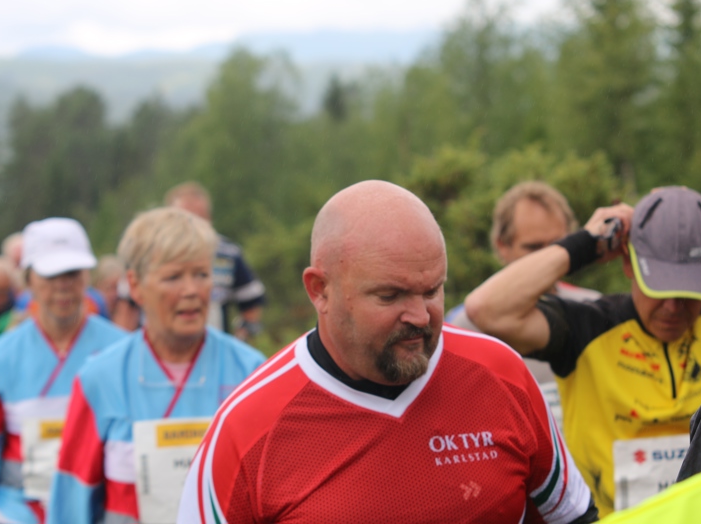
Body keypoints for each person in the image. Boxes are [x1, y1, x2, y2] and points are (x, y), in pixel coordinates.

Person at [179, 180, 596, 523]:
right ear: (319, 290)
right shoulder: (246, 428)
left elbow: (574, 515)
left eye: (432, 290)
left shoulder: (499, 372)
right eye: (390, 295)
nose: (419, 315)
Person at [465, 186, 701, 515]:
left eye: (688, 291)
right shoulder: (588, 326)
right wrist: (587, 244)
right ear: (629, 264)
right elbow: (485, 308)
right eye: (659, 287)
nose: (673, 307)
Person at [49, 207, 264, 524]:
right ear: (135, 286)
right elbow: (72, 502)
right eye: (174, 276)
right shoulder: (100, 378)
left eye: (201, 275)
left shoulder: (252, 374)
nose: (191, 290)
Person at [0, 218, 126, 524]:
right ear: (27, 280)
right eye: (50, 274)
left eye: (73, 273)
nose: (63, 285)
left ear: (87, 277)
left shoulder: (121, 351)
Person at [447, 181, 600, 387]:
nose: (546, 257)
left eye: (558, 245)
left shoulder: (594, 307)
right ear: (503, 246)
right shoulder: (463, 326)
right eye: (534, 247)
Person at [166, 182, 266, 340]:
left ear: (210, 219)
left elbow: (251, 300)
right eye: (185, 220)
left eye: (199, 219)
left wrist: (240, 339)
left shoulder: (227, 254)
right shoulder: (153, 256)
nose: (193, 227)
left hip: (214, 350)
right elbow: (129, 307)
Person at [90, 255, 123, 319]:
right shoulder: (91, 312)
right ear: (96, 286)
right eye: (109, 288)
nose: (114, 294)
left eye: (118, 288)